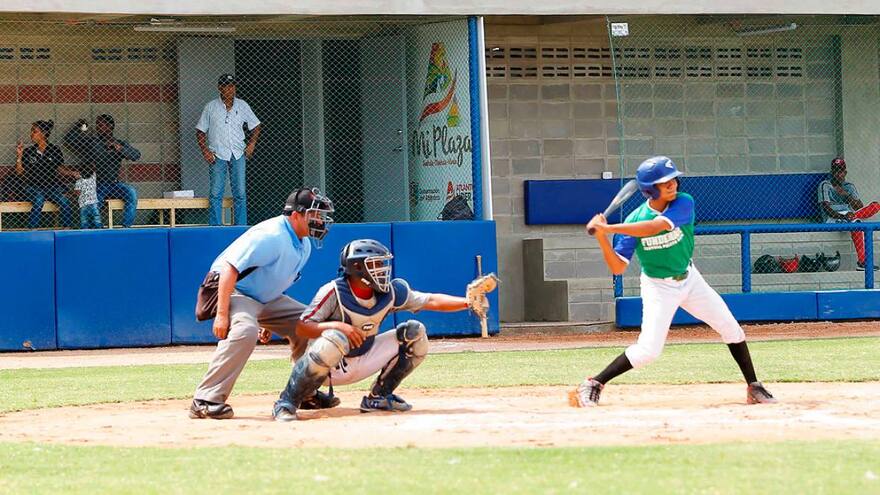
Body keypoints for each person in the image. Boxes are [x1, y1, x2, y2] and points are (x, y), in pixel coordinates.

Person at [571, 156, 776, 407]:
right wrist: (602, 237)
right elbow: (617, 266)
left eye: (673, 179)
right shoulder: (633, 220)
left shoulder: (683, 202)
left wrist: (609, 228)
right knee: (648, 351)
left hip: (690, 279)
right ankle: (594, 383)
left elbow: (656, 226)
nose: (672, 184)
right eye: (663, 182)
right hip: (659, 286)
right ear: (649, 189)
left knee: (731, 328)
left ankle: (754, 386)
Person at [271, 238, 474, 422]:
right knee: (336, 337)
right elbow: (302, 326)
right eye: (375, 264)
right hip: (329, 367)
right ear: (357, 267)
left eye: (382, 264)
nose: (382, 270)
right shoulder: (333, 291)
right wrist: (337, 325)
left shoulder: (390, 292)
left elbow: (430, 300)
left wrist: (468, 302)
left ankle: (379, 397)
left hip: (365, 355)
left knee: (415, 333)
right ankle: (287, 402)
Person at [190, 187, 334, 420]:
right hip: (233, 289)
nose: (320, 220)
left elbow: (277, 279)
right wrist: (222, 314)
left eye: (320, 215)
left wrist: (268, 322)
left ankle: (304, 392)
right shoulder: (271, 235)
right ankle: (205, 400)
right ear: (295, 215)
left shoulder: (303, 244)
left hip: (263, 297)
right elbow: (230, 268)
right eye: (314, 214)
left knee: (312, 324)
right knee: (245, 331)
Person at [196, 73, 262, 226]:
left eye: (232, 86)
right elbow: (200, 131)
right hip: (217, 154)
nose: (230, 89)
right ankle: (216, 227)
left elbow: (256, 125)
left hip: (238, 153)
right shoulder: (211, 107)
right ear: (220, 88)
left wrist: (252, 143)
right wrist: (205, 151)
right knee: (215, 193)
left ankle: (240, 227)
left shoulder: (242, 105)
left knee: (240, 193)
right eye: (226, 86)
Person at [64, 116, 141, 228]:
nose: (98, 127)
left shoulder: (118, 143)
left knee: (131, 193)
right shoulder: (92, 142)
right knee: (93, 205)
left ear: (110, 127)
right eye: (97, 125)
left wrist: (120, 149)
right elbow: (69, 140)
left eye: (101, 125)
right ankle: (94, 230)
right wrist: (79, 125)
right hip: (97, 185)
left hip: (114, 184)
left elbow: (136, 155)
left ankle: (126, 226)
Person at [818, 157, 880, 271]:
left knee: (876, 206)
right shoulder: (825, 185)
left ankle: (852, 218)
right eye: (836, 171)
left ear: (845, 172)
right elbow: (826, 208)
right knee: (856, 223)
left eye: (841, 171)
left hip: (849, 215)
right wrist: (843, 216)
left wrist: (846, 195)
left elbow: (859, 207)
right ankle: (862, 262)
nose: (838, 174)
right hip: (833, 218)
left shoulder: (849, 186)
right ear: (832, 172)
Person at [15, 120, 79, 228]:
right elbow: (19, 172)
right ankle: (32, 230)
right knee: (39, 198)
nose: (31, 134)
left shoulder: (54, 150)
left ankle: (66, 230)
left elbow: (60, 169)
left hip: (51, 187)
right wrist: (19, 156)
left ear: (43, 133)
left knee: (64, 201)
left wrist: (72, 173)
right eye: (31, 131)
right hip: (32, 186)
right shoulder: (28, 151)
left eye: (34, 131)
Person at [73, 163, 101, 229]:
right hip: (93, 202)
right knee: (96, 217)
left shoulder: (79, 181)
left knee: (84, 219)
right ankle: (98, 227)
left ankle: (84, 229)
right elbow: (93, 170)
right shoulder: (93, 178)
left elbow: (77, 192)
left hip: (83, 204)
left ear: (80, 172)